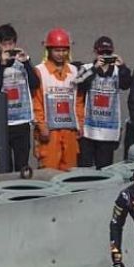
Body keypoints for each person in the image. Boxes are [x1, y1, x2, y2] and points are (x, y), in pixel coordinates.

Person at [0, 24, 40, 172]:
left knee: (22, 166)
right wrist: (2, 66)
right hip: (1, 124)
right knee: (5, 168)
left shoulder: (22, 63)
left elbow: (35, 83)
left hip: (21, 122)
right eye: (4, 44)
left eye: (11, 43)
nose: (8, 47)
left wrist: (26, 62)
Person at [32, 27, 85, 171]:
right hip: (49, 133)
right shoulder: (39, 71)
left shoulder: (74, 71)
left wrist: (80, 122)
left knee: (70, 173)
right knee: (48, 171)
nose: (61, 54)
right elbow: (36, 102)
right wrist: (41, 126)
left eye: (64, 50)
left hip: (70, 131)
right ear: (48, 50)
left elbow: (78, 100)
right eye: (57, 50)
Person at [75, 36, 131, 169]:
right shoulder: (87, 68)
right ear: (95, 52)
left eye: (108, 53)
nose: (104, 56)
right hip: (88, 130)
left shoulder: (118, 71)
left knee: (104, 171)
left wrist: (122, 66)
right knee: (84, 168)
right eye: (102, 53)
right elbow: (78, 84)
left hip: (108, 132)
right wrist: (94, 69)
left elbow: (127, 84)